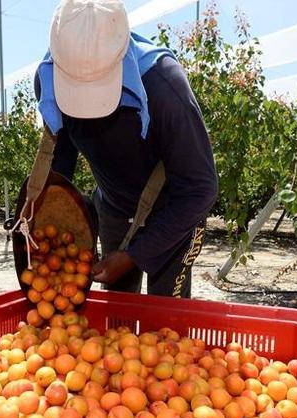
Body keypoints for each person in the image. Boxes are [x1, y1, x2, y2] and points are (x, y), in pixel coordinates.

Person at [34, 0, 218, 298]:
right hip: (114, 206)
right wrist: (59, 226)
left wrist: (134, 256)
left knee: (165, 314)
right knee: (116, 311)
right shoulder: (49, 80)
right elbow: (61, 161)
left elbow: (200, 189)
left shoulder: (163, 86)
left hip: (173, 211)